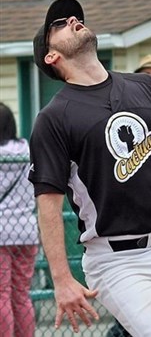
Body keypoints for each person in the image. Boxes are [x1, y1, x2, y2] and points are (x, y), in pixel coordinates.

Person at [28, 0, 151, 336]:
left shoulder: (146, 87)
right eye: (59, 24)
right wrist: (61, 280)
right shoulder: (54, 119)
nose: (73, 19)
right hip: (119, 262)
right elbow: (48, 204)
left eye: (74, 17)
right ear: (52, 57)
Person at [0, 102, 39, 337]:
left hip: (1, 232)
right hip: (26, 230)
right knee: (21, 293)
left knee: (1, 293)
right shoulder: (27, 150)